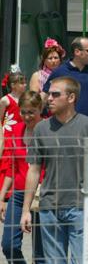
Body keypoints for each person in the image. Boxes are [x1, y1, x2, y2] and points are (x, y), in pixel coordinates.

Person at [20, 76, 88, 263]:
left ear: (71, 98)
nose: (49, 98)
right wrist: (26, 210)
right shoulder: (41, 129)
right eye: (49, 94)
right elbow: (33, 170)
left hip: (83, 207)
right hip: (49, 208)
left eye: (55, 94)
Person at [0, 91, 45, 263]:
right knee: (9, 245)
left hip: (42, 195)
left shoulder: (48, 130)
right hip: (18, 194)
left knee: (41, 253)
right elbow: (11, 167)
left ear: (40, 109)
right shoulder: (16, 130)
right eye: (23, 112)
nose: (27, 116)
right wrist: (2, 197)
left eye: (31, 112)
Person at [1, 68, 26, 202]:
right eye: (21, 83)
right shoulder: (5, 100)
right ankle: (4, 193)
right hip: (9, 133)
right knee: (7, 162)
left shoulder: (25, 99)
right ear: (13, 85)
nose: (24, 85)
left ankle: (12, 191)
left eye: (24, 83)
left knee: (17, 162)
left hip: (20, 132)